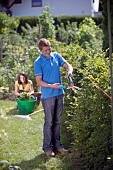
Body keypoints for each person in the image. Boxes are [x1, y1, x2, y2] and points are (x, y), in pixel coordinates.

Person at [34, 38, 73, 157]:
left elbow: (68, 66)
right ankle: (47, 148)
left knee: (58, 121)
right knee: (49, 122)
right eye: (45, 50)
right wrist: (52, 86)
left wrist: (69, 72)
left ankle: (58, 146)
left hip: (59, 94)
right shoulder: (38, 62)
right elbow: (39, 82)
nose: (48, 51)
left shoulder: (56, 56)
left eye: (49, 48)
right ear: (40, 50)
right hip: (48, 96)